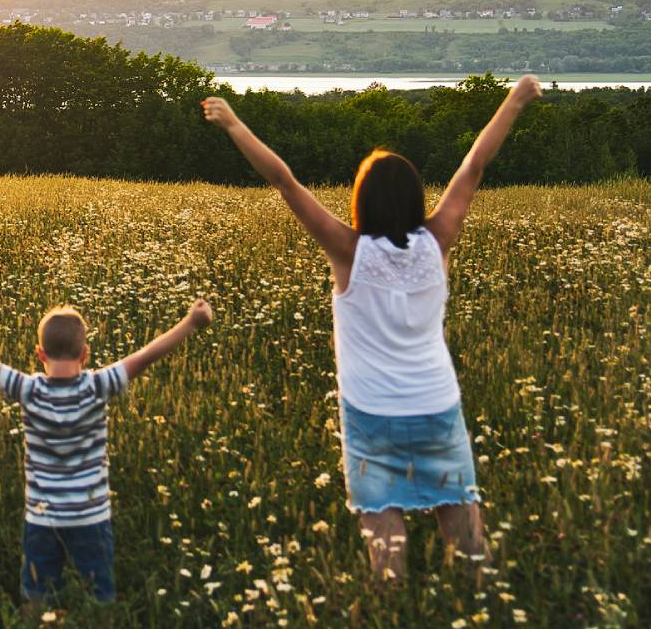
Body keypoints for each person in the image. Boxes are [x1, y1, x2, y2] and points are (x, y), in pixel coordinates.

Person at [201, 74, 542, 582]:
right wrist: (516, 99)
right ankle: (481, 600)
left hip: (371, 412)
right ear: (413, 198)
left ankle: (392, 604)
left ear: (362, 201)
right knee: (462, 522)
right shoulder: (437, 240)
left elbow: (285, 181)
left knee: (384, 533)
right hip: (435, 405)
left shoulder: (349, 252)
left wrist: (233, 123)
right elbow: (474, 165)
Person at [0, 299, 213, 607]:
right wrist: (191, 322)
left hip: (42, 518)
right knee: (100, 593)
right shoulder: (97, 386)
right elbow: (148, 354)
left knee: (38, 594)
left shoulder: (28, 389)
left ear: (40, 354)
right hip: (91, 517)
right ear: (85, 355)